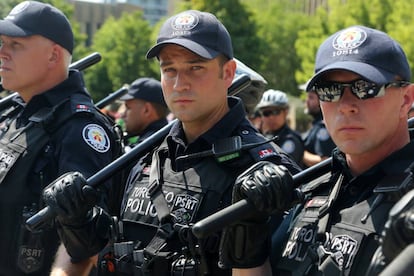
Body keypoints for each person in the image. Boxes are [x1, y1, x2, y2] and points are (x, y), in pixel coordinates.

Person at [41, 9, 302, 276]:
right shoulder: (143, 156)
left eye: (195, 68)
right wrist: (78, 223)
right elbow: (107, 254)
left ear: (228, 73)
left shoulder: (266, 171)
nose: (180, 84)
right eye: (169, 69)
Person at [220, 25, 414, 275]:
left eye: (365, 88)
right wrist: (247, 233)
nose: (345, 106)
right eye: (329, 91)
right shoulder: (313, 189)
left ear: (406, 99)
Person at [0, 1, 121, 275]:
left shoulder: (79, 129)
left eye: (15, 45)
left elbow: (83, 249)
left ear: (53, 56)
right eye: (2, 43)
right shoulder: (15, 114)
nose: (2, 53)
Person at [119, 77, 169, 152]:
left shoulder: (150, 148)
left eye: (128, 108)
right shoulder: (161, 138)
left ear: (146, 110)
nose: (122, 115)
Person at [256, 89, 305, 166]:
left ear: (285, 112)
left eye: (276, 112)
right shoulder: (261, 138)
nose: (271, 117)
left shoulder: (291, 140)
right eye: (266, 113)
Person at [302, 86, 336, 167]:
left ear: (322, 99)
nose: (307, 101)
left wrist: (300, 153)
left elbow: (325, 161)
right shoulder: (317, 124)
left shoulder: (323, 127)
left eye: (311, 97)